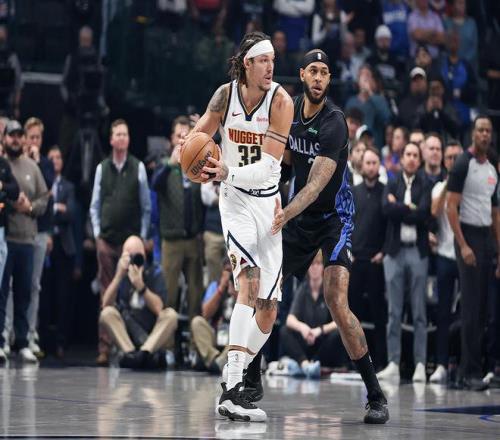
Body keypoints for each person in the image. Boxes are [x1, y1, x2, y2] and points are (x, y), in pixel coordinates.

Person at [249, 49, 389, 424]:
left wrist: (282, 213)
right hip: (300, 216)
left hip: (333, 218)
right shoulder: (288, 111)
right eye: (313, 70)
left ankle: (375, 395)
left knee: (336, 301)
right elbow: (284, 166)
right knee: (266, 289)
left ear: (329, 80)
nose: (318, 77)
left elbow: (313, 186)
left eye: (325, 72)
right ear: (302, 74)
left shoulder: (335, 122)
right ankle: (250, 379)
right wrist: (260, 192)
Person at [183, 31, 294, 421]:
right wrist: (188, 147)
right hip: (234, 202)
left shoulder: (281, 101)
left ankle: (237, 371)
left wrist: (225, 169)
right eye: (264, 61)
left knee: (269, 310)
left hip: (268, 203)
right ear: (247, 64)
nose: (271, 67)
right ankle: (232, 389)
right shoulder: (224, 96)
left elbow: (268, 167)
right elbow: (199, 135)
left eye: (273, 61)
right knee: (247, 281)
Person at [90, 119, 151, 364]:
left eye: (125, 134)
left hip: (130, 241)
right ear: (111, 139)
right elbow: (95, 205)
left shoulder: (138, 167)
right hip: (106, 240)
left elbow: (146, 206)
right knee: (107, 292)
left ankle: (133, 345)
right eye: (118, 134)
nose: (122, 138)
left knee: (133, 290)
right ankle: (105, 347)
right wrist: (97, 234)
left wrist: (141, 238)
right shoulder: (101, 168)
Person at [446, 116, 499, 391]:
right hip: (467, 234)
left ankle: (477, 369)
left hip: (486, 235)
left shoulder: (492, 166)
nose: (485, 135)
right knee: (470, 308)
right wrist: (463, 245)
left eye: (488, 131)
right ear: (473, 134)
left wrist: (498, 249)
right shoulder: (462, 163)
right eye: (480, 130)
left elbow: (495, 212)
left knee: (483, 308)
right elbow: (450, 207)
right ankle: (468, 372)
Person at [377, 142, 431, 383]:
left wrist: (401, 207)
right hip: (395, 252)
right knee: (394, 312)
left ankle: (420, 363)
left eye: (415, 155)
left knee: (419, 312)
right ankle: (393, 363)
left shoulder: (426, 184)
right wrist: (409, 208)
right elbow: (386, 209)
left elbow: (424, 214)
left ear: (419, 160)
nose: (411, 158)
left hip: (417, 251)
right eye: (408, 154)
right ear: (402, 158)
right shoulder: (391, 182)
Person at [0, 120, 48, 363]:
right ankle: (2, 340)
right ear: (4, 138)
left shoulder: (32, 167)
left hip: (27, 238)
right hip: (6, 237)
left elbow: (44, 198)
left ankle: (22, 341)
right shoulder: (2, 165)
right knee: (2, 292)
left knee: (24, 292)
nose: (16, 139)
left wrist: (30, 207)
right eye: (12, 135)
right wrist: (12, 204)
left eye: (19, 135)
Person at [152, 116, 204, 319]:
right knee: (169, 295)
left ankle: (194, 335)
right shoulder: (163, 164)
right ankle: (167, 338)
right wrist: (170, 165)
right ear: (172, 139)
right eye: (178, 136)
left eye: (186, 135)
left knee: (195, 294)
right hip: (171, 241)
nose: (182, 139)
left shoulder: (198, 163)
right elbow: (155, 185)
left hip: (193, 239)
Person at [99, 235, 178, 370]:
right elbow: (105, 304)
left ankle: (144, 353)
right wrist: (118, 277)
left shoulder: (154, 271)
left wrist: (141, 286)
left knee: (171, 315)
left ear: (144, 255)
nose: (134, 260)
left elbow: (159, 308)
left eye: (138, 255)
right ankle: (130, 353)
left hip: (150, 334)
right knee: (107, 313)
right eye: (130, 256)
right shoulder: (121, 273)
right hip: (128, 334)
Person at [349, 147, 388, 370]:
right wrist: (349, 251)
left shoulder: (385, 191)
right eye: (368, 163)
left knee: (378, 314)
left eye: (375, 163)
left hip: (377, 261)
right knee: (352, 314)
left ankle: (380, 362)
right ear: (362, 166)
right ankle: (352, 361)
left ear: (379, 166)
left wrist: (384, 251)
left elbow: (390, 227)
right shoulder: (354, 192)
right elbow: (346, 223)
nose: (371, 167)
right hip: (356, 260)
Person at [280, 251, 347, 378]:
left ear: (323, 267)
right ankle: (305, 364)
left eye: (318, 264)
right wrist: (303, 328)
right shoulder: (303, 289)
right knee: (284, 331)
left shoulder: (330, 290)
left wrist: (319, 330)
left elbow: (340, 321)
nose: (314, 267)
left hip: (322, 341)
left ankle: (313, 363)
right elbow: (290, 319)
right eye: (312, 264)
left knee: (338, 334)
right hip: (306, 339)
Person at [429, 140, 463, 383]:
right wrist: (450, 183)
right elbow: (435, 211)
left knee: (468, 312)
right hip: (444, 254)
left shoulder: (469, 187)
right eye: (449, 158)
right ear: (444, 161)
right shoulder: (439, 187)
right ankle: (441, 364)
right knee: (442, 313)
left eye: (456, 158)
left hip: (465, 254)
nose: (452, 161)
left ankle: (463, 364)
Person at [41, 146, 77, 358]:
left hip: (64, 247)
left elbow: (71, 213)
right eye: (51, 157)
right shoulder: (42, 181)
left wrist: (52, 208)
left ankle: (62, 342)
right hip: (46, 245)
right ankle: (44, 342)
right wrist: (56, 208)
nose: (55, 160)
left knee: (64, 297)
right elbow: (41, 210)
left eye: (58, 157)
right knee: (45, 295)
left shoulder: (68, 186)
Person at [190, 259, 236, 374]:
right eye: (227, 270)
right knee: (197, 322)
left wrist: (236, 292)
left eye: (233, 271)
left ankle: (220, 361)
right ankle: (214, 360)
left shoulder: (245, 287)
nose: (230, 274)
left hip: (233, 338)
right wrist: (221, 289)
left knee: (240, 334)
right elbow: (205, 314)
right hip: (216, 334)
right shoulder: (215, 286)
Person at [0, 144, 19, 362]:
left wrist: (2, 187)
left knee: (2, 288)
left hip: (1, 231)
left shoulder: (3, 165)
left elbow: (14, 190)